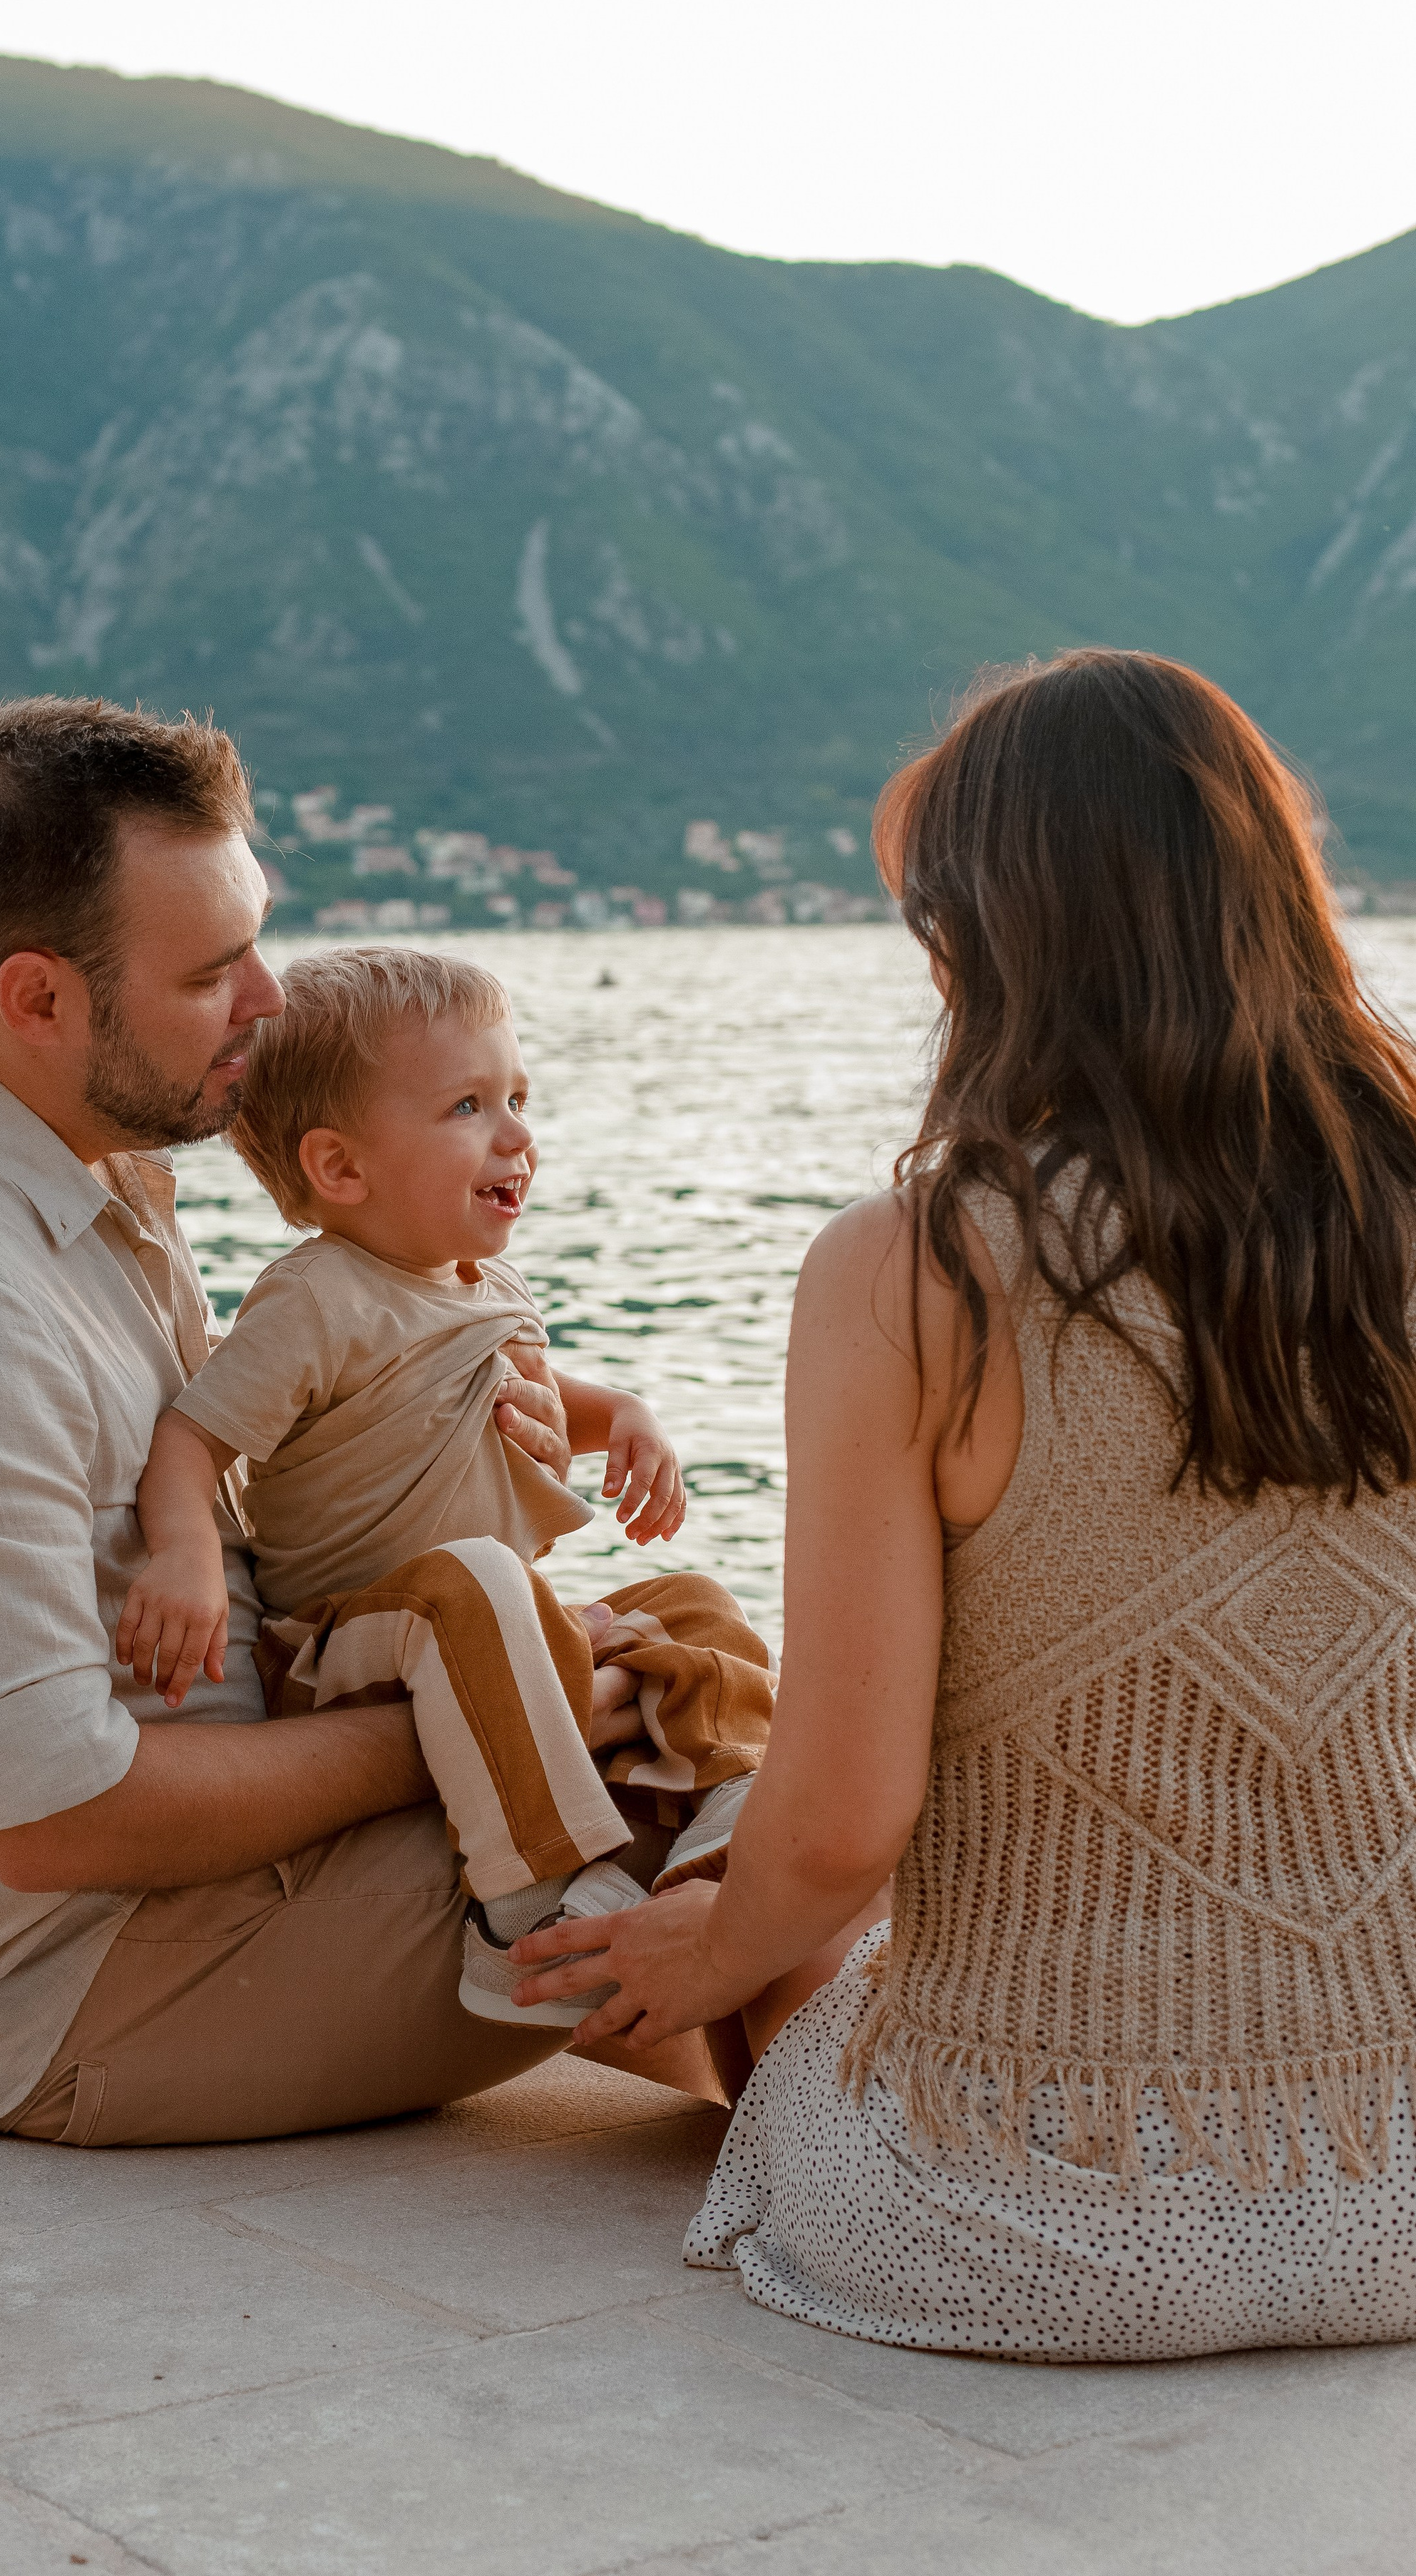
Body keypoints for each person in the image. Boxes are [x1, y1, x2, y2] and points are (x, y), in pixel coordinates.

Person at [512, 648, 1416, 2358]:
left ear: (994, 936)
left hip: (1029, 2214)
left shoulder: (910, 1266)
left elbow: (844, 1815)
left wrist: (715, 1955)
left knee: (703, 1960)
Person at [0, 695, 724, 2149]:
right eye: (213, 970)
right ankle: (935, 2200)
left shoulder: (86, 1175)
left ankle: (869, 2148)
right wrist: (492, 1705)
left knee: (717, 1714)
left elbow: (265, 1522)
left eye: (257, 939)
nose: (272, 1002)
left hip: (226, 1874)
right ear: (39, 999)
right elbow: (52, 1819)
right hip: (104, 1986)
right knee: (733, 1828)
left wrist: (458, 1499)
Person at [117, 944, 773, 2023]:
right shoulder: (318, 1300)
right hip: (350, 1642)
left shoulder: (489, 1283)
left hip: (493, 1624)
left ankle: (733, 1804)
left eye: (517, 1096)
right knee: (475, 1580)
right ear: (340, 1169)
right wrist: (186, 1553)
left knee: (695, 1605)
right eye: (469, 1105)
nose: (516, 1133)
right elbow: (191, 1439)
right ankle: (529, 1909)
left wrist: (633, 1421)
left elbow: (552, 1385)